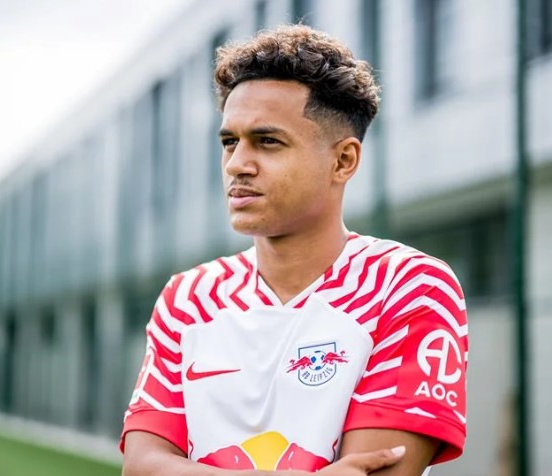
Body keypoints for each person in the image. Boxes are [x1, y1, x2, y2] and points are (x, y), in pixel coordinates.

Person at [120, 25, 468, 476]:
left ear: (343, 160)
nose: (237, 165)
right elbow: (141, 466)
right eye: (230, 142)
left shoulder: (406, 286)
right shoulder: (188, 298)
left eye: (268, 141)